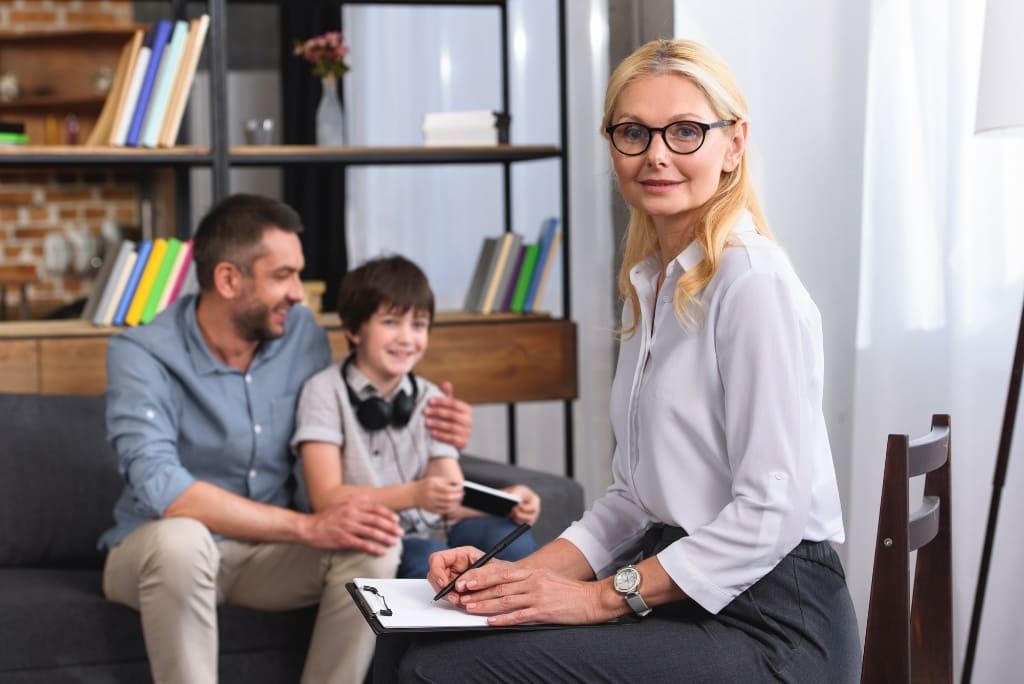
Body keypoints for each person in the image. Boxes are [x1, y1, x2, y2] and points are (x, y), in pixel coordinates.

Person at [387, 39, 861, 683]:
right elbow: (634, 503)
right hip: (681, 592)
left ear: (734, 145)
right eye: (634, 132)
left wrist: (594, 599)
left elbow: (768, 514)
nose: (657, 154)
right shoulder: (655, 284)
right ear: (612, 145)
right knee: (419, 643)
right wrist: (508, 579)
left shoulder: (751, 284)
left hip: (773, 623)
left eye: (686, 131)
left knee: (440, 672)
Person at [98, 194, 474, 684]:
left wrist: (442, 431)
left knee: (374, 542)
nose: (299, 293)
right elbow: (163, 487)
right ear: (229, 279)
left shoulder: (299, 334)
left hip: (265, 558)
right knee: (183, 541)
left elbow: (346, 424)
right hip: (156, 552)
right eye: (283, 276)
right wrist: (307, 528)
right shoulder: (140, 353)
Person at [291, 254, 540, 580]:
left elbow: (449, 498)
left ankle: (519, 626)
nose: (407, 338)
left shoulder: (430, 397)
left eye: (418, 324)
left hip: (431, 532)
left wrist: (511, 500)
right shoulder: (324, 391)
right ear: (353, 329)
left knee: (509, 538)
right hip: (368, 541)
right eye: (391, 322)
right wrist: (414, 494)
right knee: (424, 559)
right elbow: (325, 497)